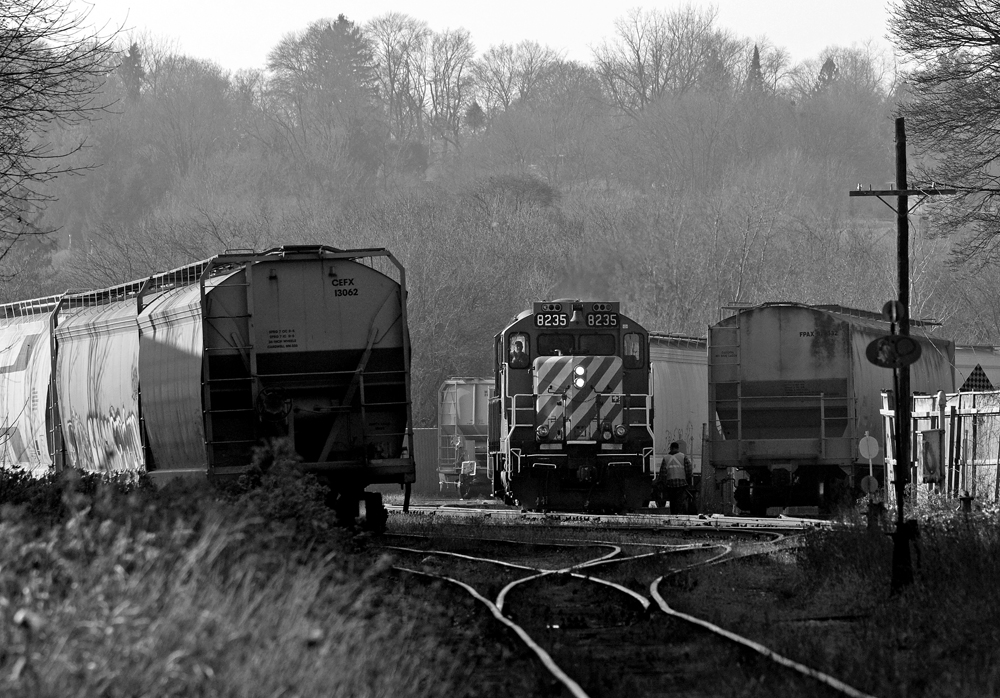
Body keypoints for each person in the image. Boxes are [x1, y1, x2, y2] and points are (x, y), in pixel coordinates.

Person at [654, 442, 692, 514]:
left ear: (670, 448)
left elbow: (662, 472)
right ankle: (680, 513)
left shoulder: (666, 458)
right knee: (680, 500)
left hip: (670, 484)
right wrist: (688, 479)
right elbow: (689, 470)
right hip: (681, 483)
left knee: (672, 500)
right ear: (678, 448)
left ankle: (673, 514)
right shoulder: (683, 457)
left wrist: (662, 482)